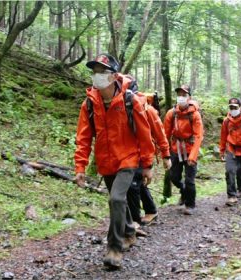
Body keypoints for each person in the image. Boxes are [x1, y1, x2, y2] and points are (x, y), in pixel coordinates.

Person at [74, 53, 155, 268]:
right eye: (94, 71)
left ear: (113, 76)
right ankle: (129, 231)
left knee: (116, 200)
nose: (96, 76)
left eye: (102, 71)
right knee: (118, 200)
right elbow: (83, 137)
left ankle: (114, 249)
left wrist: (147, 165)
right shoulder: (89, 104)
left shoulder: (131, 101)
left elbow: (144, 134)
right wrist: (80, 166)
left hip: (128, 159)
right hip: (106, 161)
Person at [127, 90, 171, 225]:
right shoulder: (121, 107)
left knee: (134, 183)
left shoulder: (148, 110)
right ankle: (151, 211)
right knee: (138, 182)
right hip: (127, 152)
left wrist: (166, 155)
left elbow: (160, 133)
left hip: (143, 152)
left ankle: (134, 221)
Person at [164, 85, 203, 215]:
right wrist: (165, 152)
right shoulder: (172, 113)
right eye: (179, 94)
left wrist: (193, 156)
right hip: (176, 148)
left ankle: (190, 205)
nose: (181, 97)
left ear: (189, 97)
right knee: (174, 176)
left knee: (189, 179)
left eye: (184, 95)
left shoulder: (195, 115)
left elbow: (198, 136)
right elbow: (165, 133)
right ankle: (184, 191)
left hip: (190, 148)